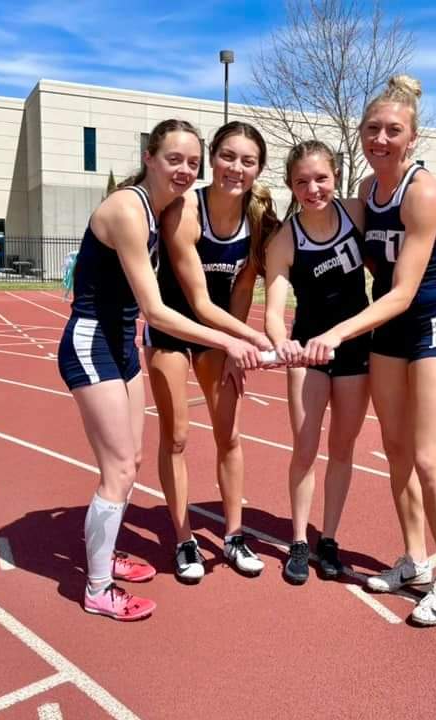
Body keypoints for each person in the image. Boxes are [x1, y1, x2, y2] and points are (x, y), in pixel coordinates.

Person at [56, 119, 261, 621]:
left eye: (192, 162)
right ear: (149, 157)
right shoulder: (129, 210)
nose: (185, 170)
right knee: (119, 469)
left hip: (119, 345)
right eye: (174, 159)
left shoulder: (160, 209)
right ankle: (98, 589)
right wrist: (232, 341)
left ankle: (105, 554)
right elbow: (157, 311)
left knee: (132, 460)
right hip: (92, 343)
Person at [301, 76, 436, 625]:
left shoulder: (423, 192)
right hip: (390, 329)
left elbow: (403, 291)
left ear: (412, 137)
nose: (381, 138)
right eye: (372, 128)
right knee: (396, 450)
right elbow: (372, 256)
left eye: (393, 130)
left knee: (428, 457)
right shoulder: (366, 192)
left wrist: (338, 332)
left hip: (430, 323)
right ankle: (414, 560)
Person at [144, 121, 280, 582]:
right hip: (174, 329)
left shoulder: (258, 219)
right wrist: (249, 341)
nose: (236, 168)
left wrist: (236, 346)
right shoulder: (185, 210)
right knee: (177, 437)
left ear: (259, 168)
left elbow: (242, 291)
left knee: (230, 436)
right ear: (213, 159)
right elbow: (199, 303)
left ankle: (234, 536)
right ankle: (184, 539)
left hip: (219, 335)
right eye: (227, 156)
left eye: (248, 161)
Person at [264, 141, 372, 585]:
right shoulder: (284, 240)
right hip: (307, 354)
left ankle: (328, 538)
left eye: (321, 178)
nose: (313, 189)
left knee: (342, 449)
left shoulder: (356, 213)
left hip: (355, 349)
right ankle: (298, 541)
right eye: (302, 182)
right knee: (306, 449)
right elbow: (273, 312)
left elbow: (398, 253)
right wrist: (282, 344)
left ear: (335, 176)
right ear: (291, 186)